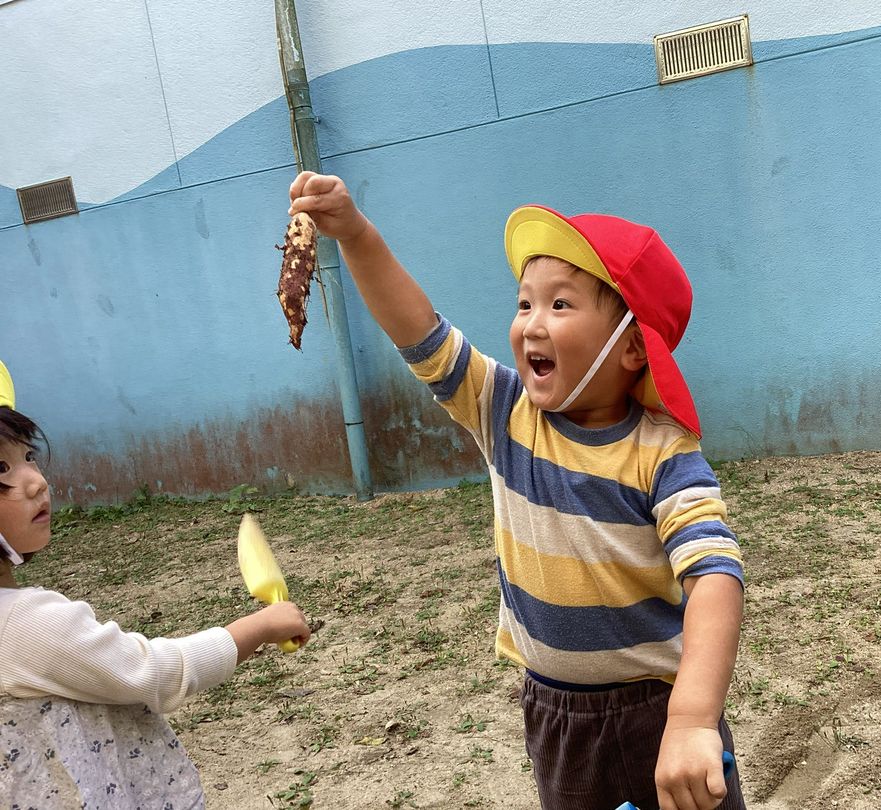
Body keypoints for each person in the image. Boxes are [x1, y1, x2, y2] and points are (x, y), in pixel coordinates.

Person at [289, 172, 746, 810]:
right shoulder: (504, 411)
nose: (532, 323)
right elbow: (418, 331)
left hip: (658, 710)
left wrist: (693, 719)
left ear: (632, 348)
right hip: (555, 712)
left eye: (560, 305)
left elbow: (715, 577)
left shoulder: (663, 453)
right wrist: (357, 235)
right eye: (524, 303)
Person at [0, 360, 312, 808]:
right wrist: (260, 626)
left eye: (28, 457)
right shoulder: (23, 625)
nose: (35, 482)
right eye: (2, 469)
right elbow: (154, 673)